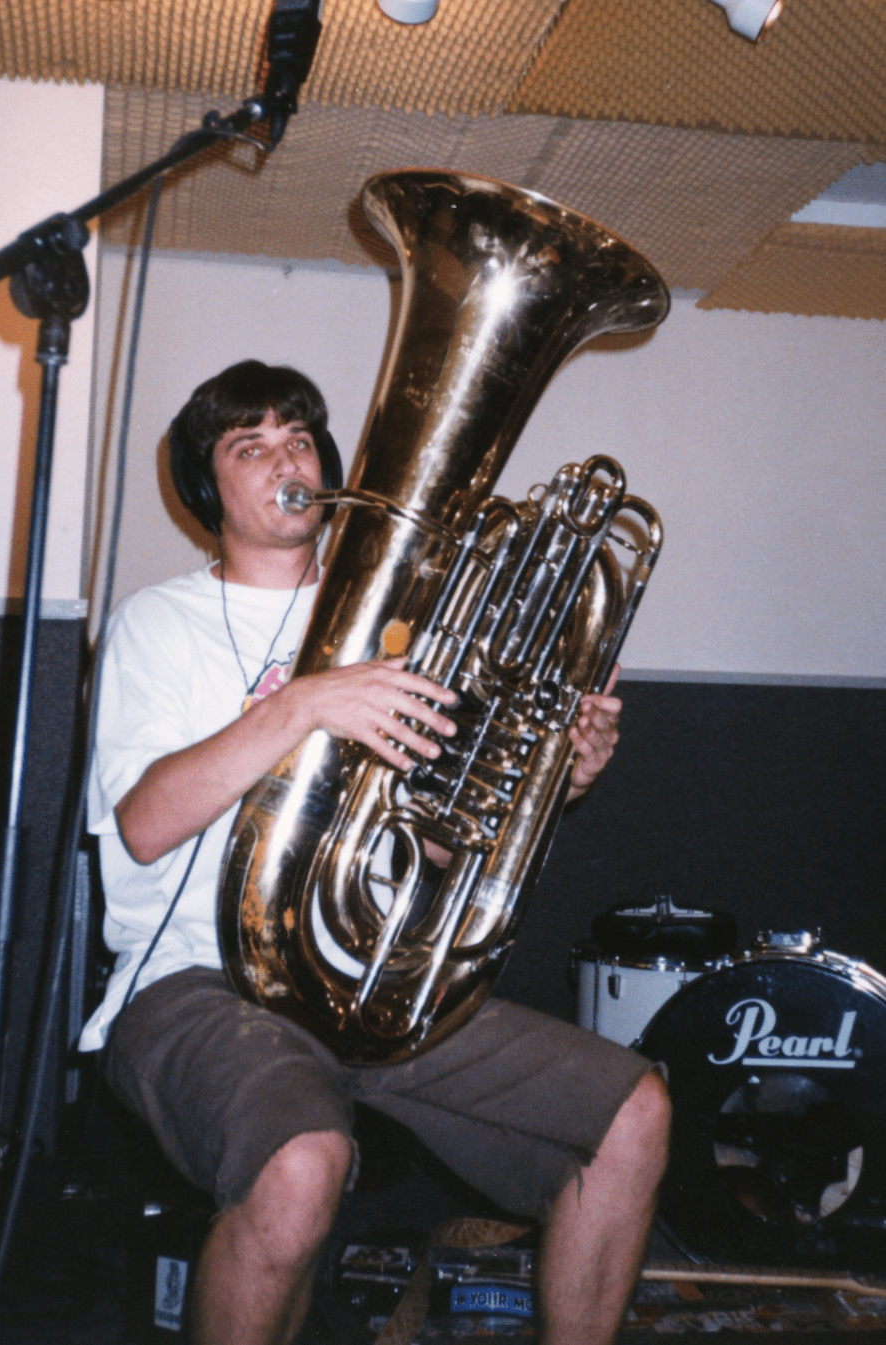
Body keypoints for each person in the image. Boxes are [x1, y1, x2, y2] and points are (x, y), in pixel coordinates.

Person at [80, 360, 670, 1345]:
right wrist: (304, 702)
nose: (287, 457)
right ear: (204, 487)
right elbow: (144, 823)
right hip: (195, 983)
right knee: (300, 1160)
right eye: (249, 445)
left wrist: (547, 776)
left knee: (632, 1114)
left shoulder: (406, 632)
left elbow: (437, 843)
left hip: (369, 978)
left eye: (300, 436)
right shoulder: (156, 625)